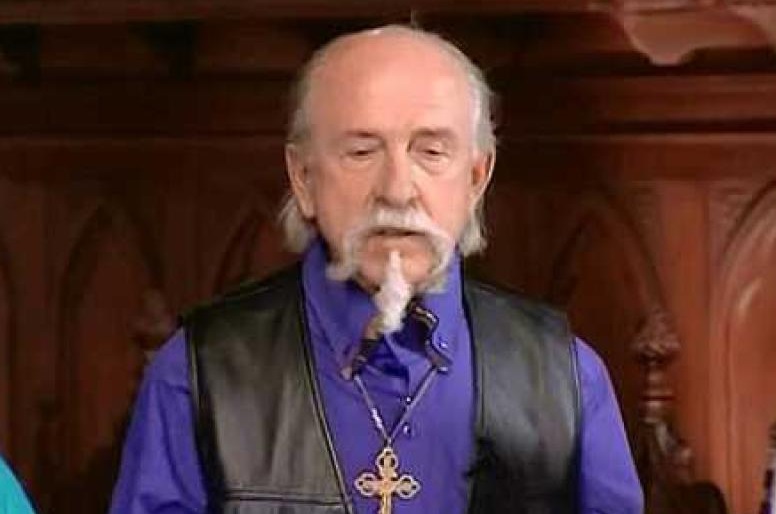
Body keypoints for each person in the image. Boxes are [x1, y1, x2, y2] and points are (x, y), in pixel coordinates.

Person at [110, 24, 643, 514]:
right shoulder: (198, 374)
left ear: (476, 179)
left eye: (431, 151)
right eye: (362, 151)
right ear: (303, 178)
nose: (397, 190)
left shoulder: (567, 378)